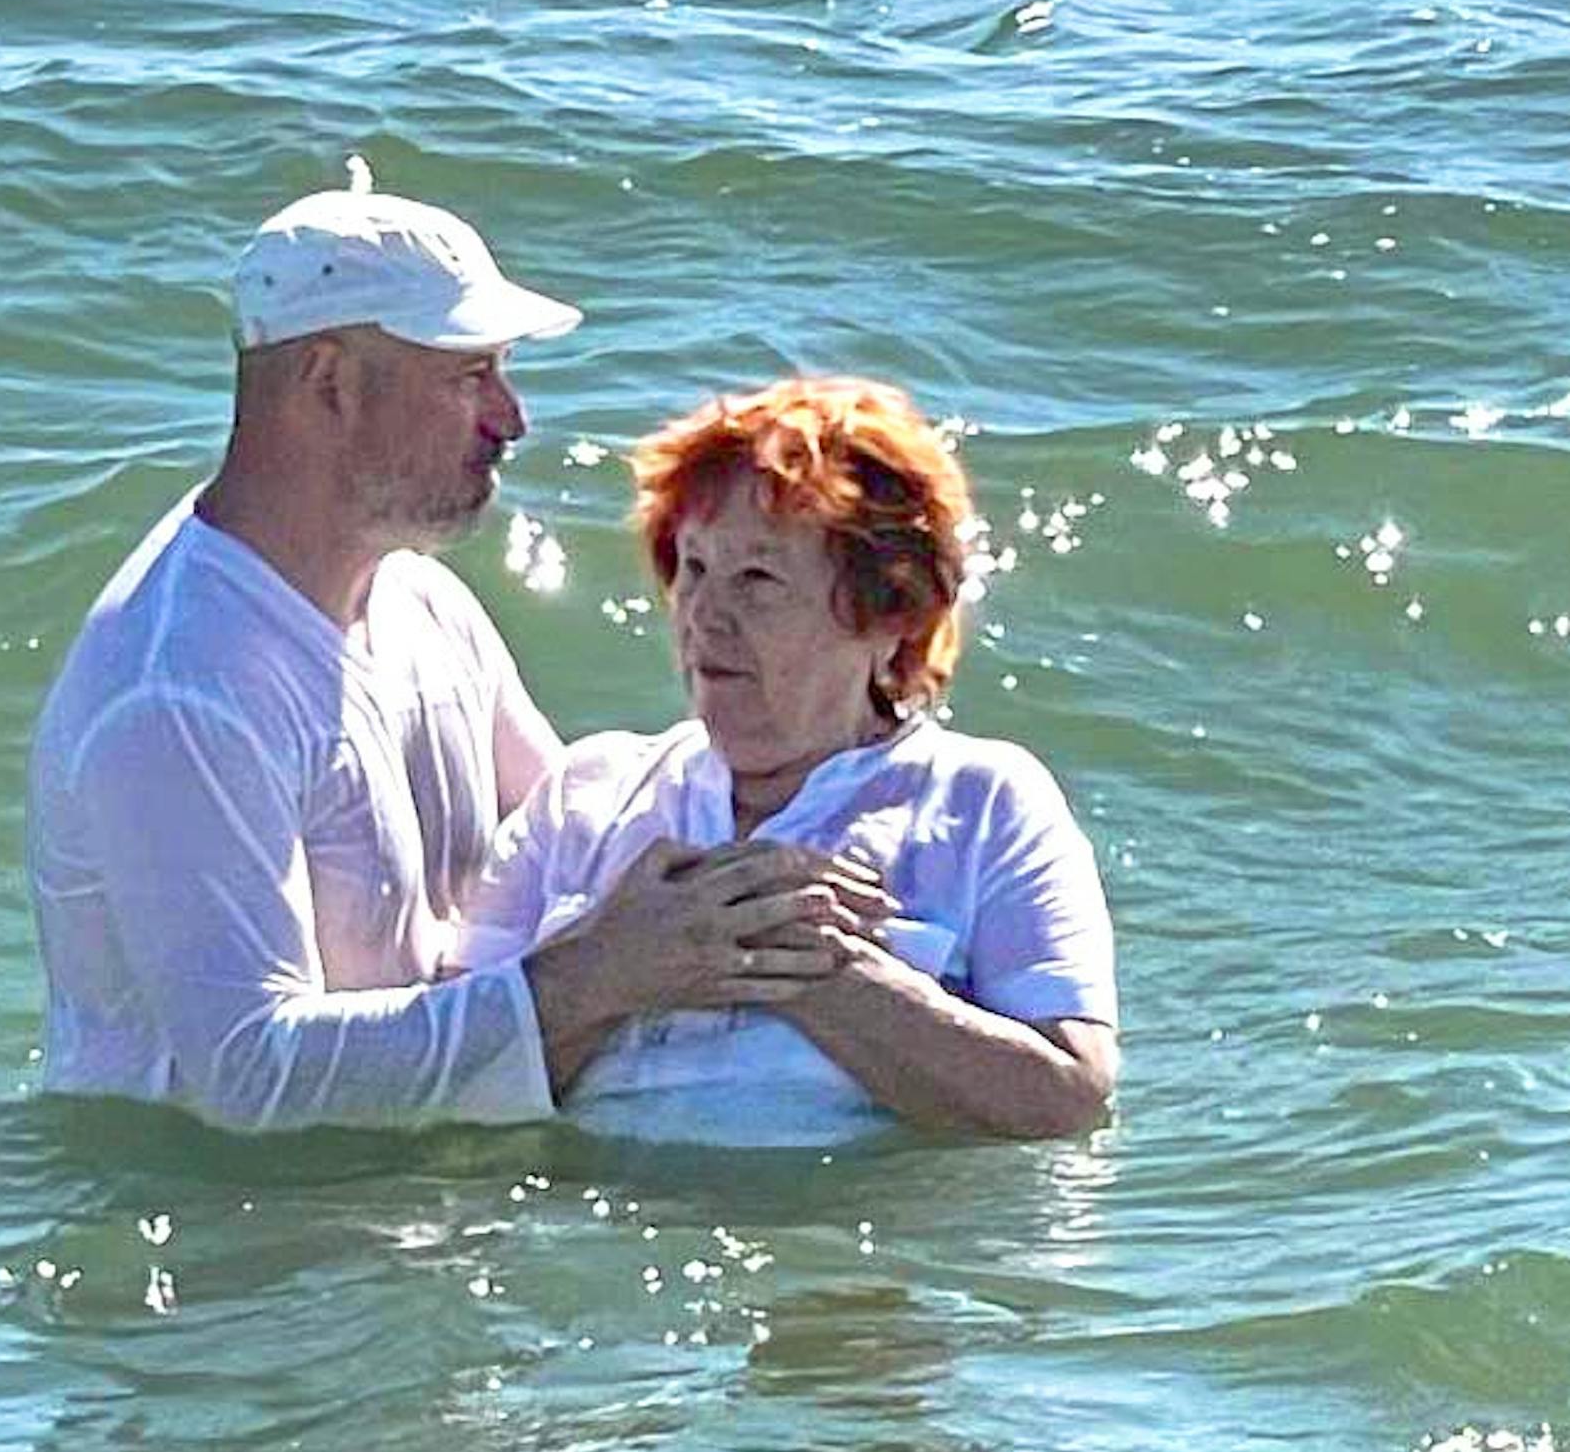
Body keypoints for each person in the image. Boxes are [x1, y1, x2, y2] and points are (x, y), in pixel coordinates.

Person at [27, 184, 879, 1132]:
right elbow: (248, 1075)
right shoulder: (180, 687)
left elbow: (581, 840)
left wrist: (796, 876)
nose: (511, 419)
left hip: (420, 1195)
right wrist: (600, 974)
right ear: (329, 383)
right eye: (470, 375)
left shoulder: (419, 598)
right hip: (229, 1250)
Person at [453, 376, 1120, 1145]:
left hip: (846, 1252)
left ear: (891, 615)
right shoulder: (589, 796)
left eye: (758, 580)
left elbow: (1070, 1099)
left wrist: (818, 968)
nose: (704, 616)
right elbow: (440, 1079)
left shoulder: (981, 803)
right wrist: (615, 968)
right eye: (693, 571)